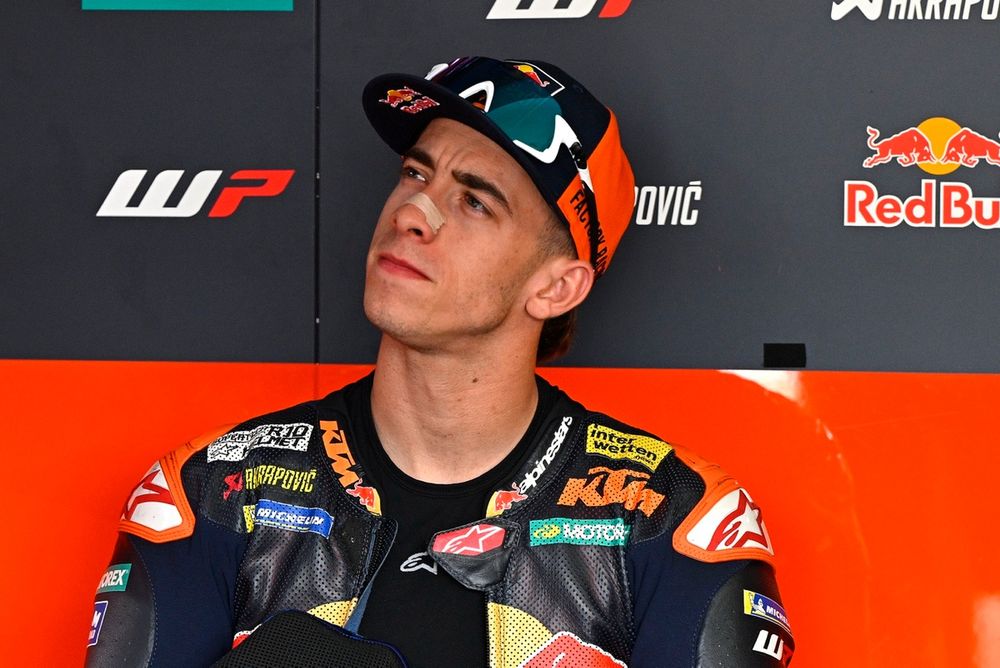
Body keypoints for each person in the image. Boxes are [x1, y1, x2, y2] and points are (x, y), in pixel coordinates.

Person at [85, 56, 794, 667]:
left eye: (475, 202)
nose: (413, 213)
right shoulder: (212, 491)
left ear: (556, 287)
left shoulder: (671, 517)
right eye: (414, 174)